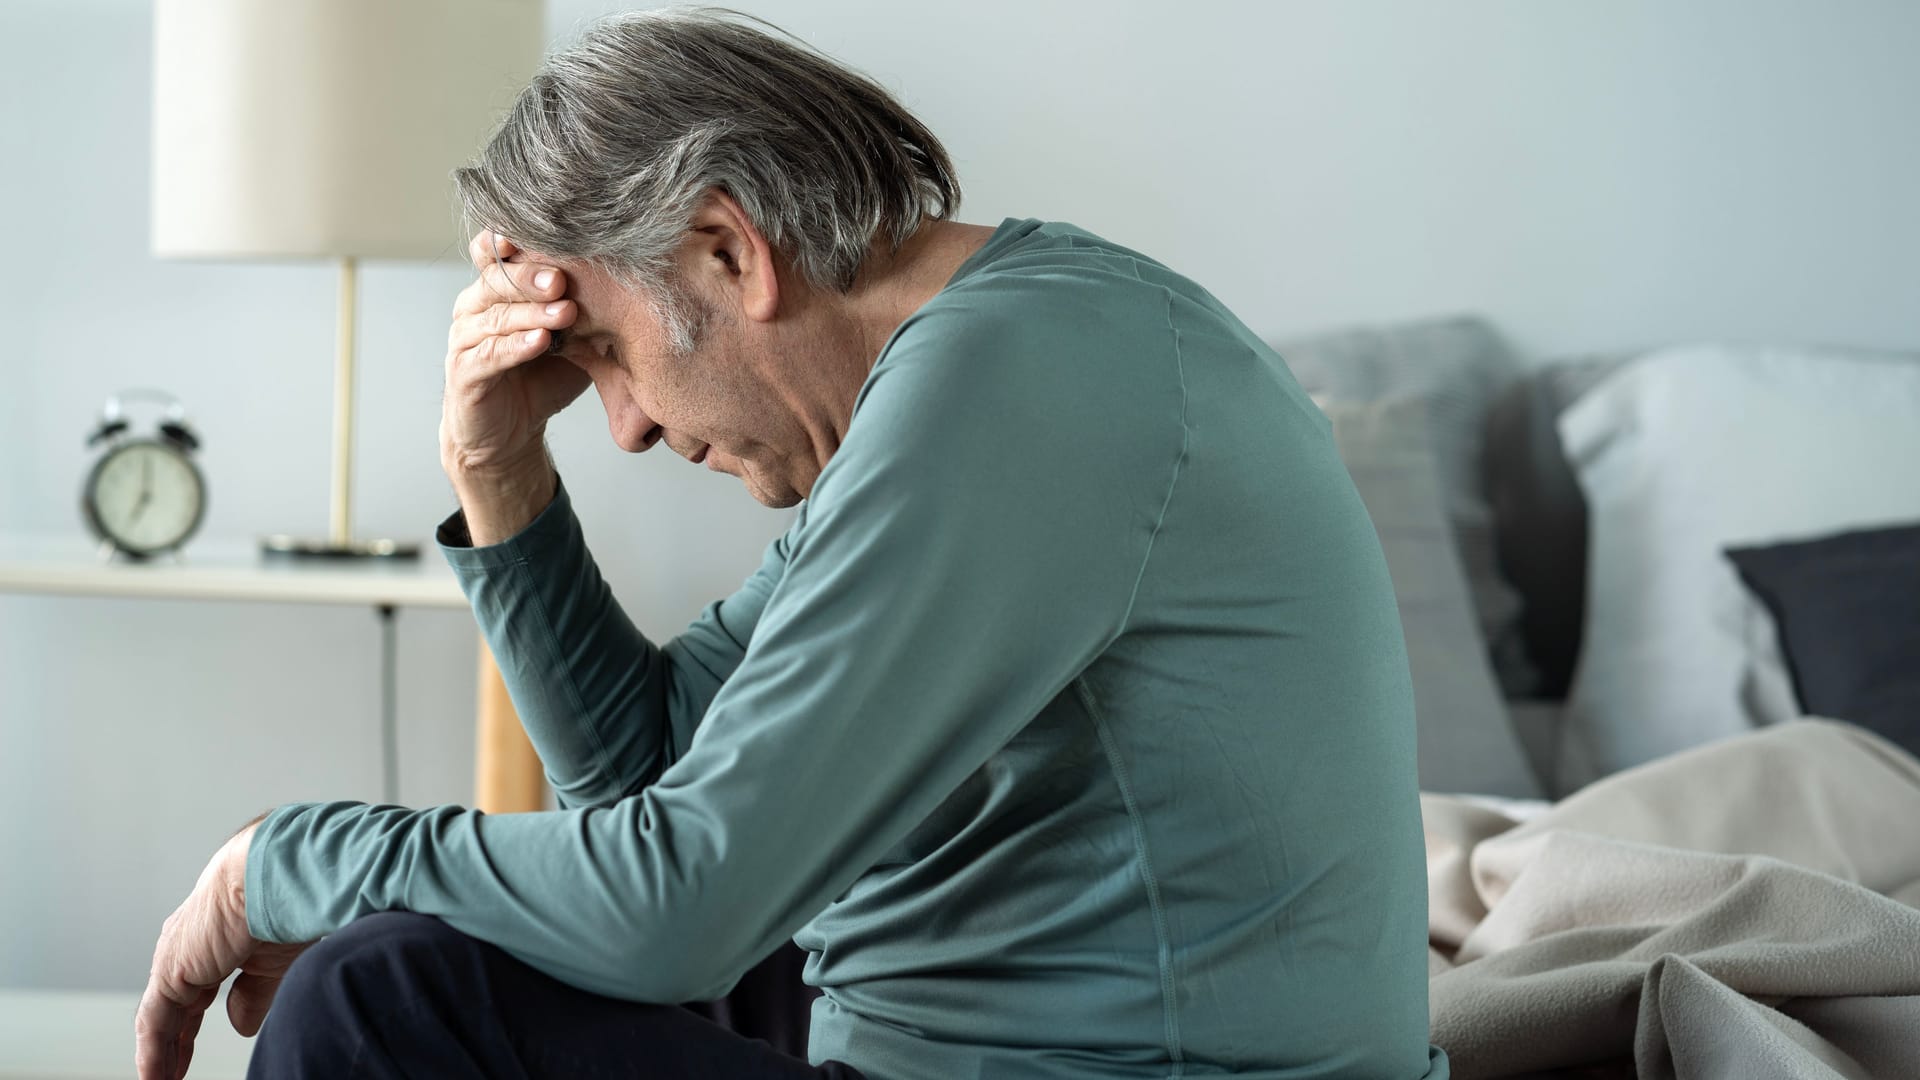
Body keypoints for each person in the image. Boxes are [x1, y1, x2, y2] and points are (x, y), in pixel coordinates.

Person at [136, 9, 1447, 1080]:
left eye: (605, 352)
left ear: (725, 250)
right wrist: (500, 471)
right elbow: (648, 779)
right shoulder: (967, 380)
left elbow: (677, 913)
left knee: (387, 998)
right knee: (471, 929)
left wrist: (288, 860)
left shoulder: (1017, 383)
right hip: (939, 1042)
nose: (629, 427)